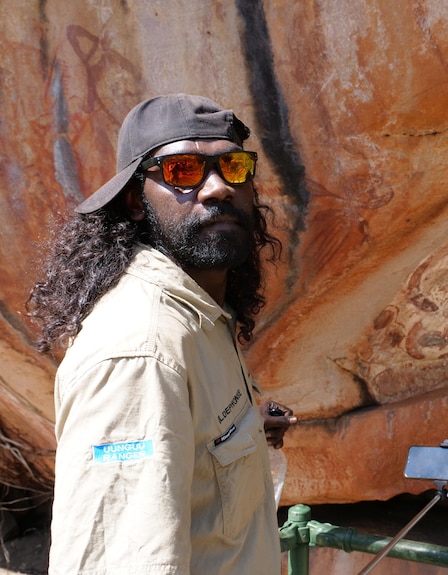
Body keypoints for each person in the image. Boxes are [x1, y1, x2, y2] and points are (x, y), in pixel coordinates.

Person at [27, 94, 296, 575]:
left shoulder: (197, 314)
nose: (217, 189)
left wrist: (246, 428)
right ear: (134, 202)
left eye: (234, 167)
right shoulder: (140, 352)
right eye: (182, 171)